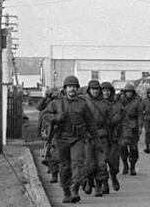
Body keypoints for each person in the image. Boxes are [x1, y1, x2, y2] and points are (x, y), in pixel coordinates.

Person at [44, 75, 95, 204]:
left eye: (74, 87)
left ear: (77, 89)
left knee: (78, 164)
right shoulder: (57, 102)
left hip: (78, 138)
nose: (72, 89)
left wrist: (95, 138)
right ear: (65, 88)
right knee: (64, 167)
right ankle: (66, 191)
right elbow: (46, 114)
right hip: (62, 138)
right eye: (69, 87)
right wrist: (56, 118)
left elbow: (90, 122)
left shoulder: (83, 104)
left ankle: (74, 190)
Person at [83, 80, 111, 197]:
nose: (95, 91)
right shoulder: (84, 103)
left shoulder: (105, 104)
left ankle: (98, 187)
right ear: (89, 90)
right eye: (93, 89)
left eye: (97, 89)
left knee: (101, 164)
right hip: (88, 137)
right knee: (90, 164)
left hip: (102, 137)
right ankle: (89, 181)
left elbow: (111, 119)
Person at [101, 82, 123, 192]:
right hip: (102, 137)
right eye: (104, 90)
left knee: (114, 163)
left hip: (114, 137)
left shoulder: (117, 105)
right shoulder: (97, 104)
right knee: (102, 162)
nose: (106, 93)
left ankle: (113, 176)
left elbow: (124, 121)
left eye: (108, 90)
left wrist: (125, 136)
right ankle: (105, 182)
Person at [37, 87, 61, 183]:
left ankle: (55, 172)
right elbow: (39, 108)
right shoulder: (47, 103)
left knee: (54, 153)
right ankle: (53, 172)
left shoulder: (58, 103)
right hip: (48, 129)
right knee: (50, 152)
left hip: (56, 130)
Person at [119, 83, 143, 176]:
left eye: (130, 92)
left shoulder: (137, 102)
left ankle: (132, 166)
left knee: (133, 148)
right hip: (122, 127)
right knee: (122, 147)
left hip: (133, 127)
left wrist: (140, 127)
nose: (129, 94)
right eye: (127, 92)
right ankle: (125, 164)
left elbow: (140, 115)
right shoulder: (120, 101)